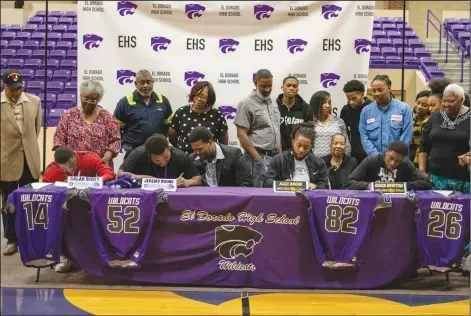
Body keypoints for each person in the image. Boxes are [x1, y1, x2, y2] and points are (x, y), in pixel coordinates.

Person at [1, 70, 42, 256]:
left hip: (29, 160)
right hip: (6, 161)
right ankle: (12, 239)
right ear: (4, 86)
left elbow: (35, 129)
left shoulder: (34, 101)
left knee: (30, 200)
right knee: (9, 202)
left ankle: (30, 238)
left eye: (19, 88)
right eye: (12, 89)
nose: (16, 92)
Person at [53, 81, 121, 168]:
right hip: (72, 166)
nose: (89, 102)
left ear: (98, 99)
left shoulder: (107, 117)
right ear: (81, 96)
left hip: (100, 165)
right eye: (86, 98)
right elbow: (59, 138)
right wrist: (64, 159)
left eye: (93, 99)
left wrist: (107, 157)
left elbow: (116, 140)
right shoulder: (69, 115)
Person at [419, 84, 470, 193]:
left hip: (464, 179)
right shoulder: (435, 116)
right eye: (444, 101)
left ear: (462, 100)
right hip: (436, 176)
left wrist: (468, 156)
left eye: (451, 101)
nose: (446, 105)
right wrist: (422, 170)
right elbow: (424, 144)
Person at [234, 69, 281, 187]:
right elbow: (241, 134)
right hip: (257, 158)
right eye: (263, 86)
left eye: (269, 86)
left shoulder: (272, 103)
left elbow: (276, 131)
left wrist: (280, 156)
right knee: (259, 195)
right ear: (255, 83)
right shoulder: (246, 103)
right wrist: (258, 159)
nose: (267, 89)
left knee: (274, 195)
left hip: (274, 158)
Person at [114, 70, 173, 159]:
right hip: (133, 152)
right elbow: (116, 130)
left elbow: (168, 126)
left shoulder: (163, 101)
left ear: (153, 83)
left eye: (149, 82)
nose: (146, 86)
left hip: (158, 152)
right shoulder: (124, 103)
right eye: (142, 83)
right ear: (135, 84)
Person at [117, 134, 201, 188]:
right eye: (157, 161)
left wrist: (187, 182)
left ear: (168, 149)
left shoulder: (180, 156)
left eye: (166, 158)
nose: (163, 162)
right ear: (149, 155)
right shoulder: (138, 153)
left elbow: (198, 179)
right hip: (144, 194)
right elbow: (119, 175)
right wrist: (147, 179)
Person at [343, 140, 432, 191]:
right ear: (386, 151)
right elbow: (348, 183)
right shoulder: (371, 160)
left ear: (403, 159)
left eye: (398, 161)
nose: (393, 163)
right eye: (391, 158)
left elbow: (426, 183)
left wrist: (400, 187)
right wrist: (368, 186)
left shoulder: (406, 164)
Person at [263, 122, 329, 190]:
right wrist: (283, 184)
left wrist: (316, 186)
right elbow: (267, 182)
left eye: (306, 147)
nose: (301, 150)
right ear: (293, 142)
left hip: (309, 198)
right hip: (285, 197)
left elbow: (325, 185)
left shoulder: (319, 163)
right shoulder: (278, 160)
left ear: (310, 147)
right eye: (299, 145)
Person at [359, 75, 413, 156]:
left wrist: (392, 156)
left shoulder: (404, 109)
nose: (377, 93)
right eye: (374, 91)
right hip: (375, 160)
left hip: (399, 160)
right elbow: (364, 136)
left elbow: (407, 136)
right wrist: (377, 156)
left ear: (389, 88)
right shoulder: (366, 111)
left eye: (380, 90)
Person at [169, 81, 228, 153]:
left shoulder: (217, 115)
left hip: (208, 159)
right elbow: (172, 136)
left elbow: (223, 142)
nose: (198, 99)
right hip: (184, 158)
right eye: (196, 95)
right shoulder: (181, 112)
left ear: (209, 99)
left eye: (203, 97)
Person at [188, 126, 252, 187]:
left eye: (200, 149)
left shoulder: (234, 155)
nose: (197, 153)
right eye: (194, 150)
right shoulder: (192, 159)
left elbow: (245, 185)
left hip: (228, 197)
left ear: (210, 143)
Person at [275, 76, 313, 151]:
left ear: (297, 89)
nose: (291, 88)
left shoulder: (306, 108)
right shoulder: (274, 106)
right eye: (288, 85)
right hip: (277, 153)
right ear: (282, 87)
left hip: (299, 152)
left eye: (294, 86)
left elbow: (309, 133)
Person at [310, 91, 350, 158]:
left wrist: (346, 161)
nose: (328, 106)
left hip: (335, 162)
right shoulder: (310, 121)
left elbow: (347, 144)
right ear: (316, 104)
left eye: (329, 102)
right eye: (324, 103)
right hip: (315, 163)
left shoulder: (338, 121)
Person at [42, 147, 116, 183]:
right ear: (57, 164)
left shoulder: (89, 158)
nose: (70, 170)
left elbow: (110, 175)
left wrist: (86, 181)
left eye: (71, 166)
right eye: (65, 169)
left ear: (74, 156)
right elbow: (44, 190)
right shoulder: (52, 169)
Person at [340, 80, 372, 164]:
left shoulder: (372, 108)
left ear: (362, 94)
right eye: (348, 99)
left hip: (372, 152)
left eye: (354, 98)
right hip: (354, 154)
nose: (351, 102)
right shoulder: (346, 110)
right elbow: (344, 133)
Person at [409, 90, 431, 167]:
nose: (419, 106)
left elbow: (423, 147)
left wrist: (417, 166)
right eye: (418, 103)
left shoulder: (429, 122)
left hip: (420, 162)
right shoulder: (413, 119)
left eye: (424, 105)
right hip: (410, 157)